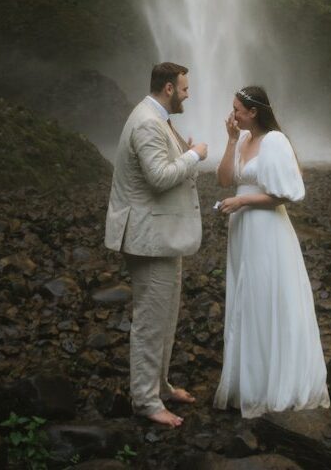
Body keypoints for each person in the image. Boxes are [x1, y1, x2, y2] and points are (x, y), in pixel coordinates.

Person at [103, 61, 210, 428]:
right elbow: (160, 177)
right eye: (184, 88)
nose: (188, 94)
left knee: (166, 316)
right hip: (148, 238)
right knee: (151, 320)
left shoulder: (156, 116)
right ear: (168, 88)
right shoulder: (149, 122)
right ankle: (146, 401)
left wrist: (187, 151)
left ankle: (160, 385)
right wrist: (195, 154)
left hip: (161, 237)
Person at [213, 85, 330, 417]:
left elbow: (288, 194)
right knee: (247, 300)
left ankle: (277, 384)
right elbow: (224, 180)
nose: (232, 114)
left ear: (253, 112)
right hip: (243, 231)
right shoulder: (245, 141)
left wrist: (243, 200)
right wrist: (231, 140)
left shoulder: (275, 141)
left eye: (237, 110)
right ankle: (251, 382)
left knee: (269, 298)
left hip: (267, 228)